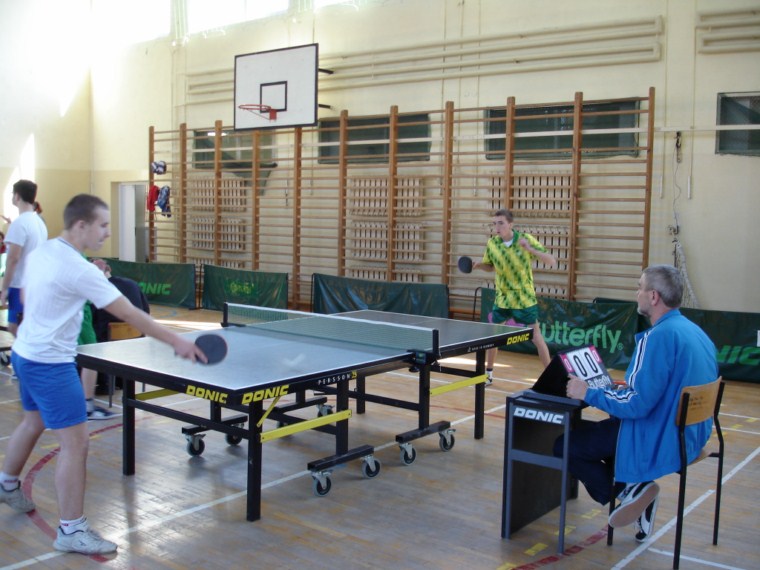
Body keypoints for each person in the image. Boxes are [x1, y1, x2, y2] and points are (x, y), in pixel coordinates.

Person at [0, 194, 207, 556]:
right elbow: (129, 313)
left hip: (25, 354)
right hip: (51, 364)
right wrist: (177, 341)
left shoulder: (45, 252)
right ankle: (72, 529)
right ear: (81, 225)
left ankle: (6, 484)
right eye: (103, 225)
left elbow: (31, 296)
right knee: (76, 443)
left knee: (33, 422)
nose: (107, 233)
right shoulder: (79, 270)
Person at [554, 264, 718, 543]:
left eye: (640, 287)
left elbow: (636, 405)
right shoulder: (696, 332)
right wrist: (620, 390)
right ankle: (635, 488)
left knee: (565, 445)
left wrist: (588, 392)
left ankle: (630, 491)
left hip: (658, 437)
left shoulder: (657, 337)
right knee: (605, 429)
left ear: (653, 296)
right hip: (691, 436)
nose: (636, 293)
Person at [472, 208, 557, 381]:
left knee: (536, 338)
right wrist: (479, 265)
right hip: (502, 299)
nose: (497, 227)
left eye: (501, 223)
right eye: (495, 224)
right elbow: (490, 266)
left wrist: (530, 249)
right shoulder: (492, 243)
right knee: (493, 337)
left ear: (510, 224)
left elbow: (551, 261)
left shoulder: (525, 240)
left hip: (523, 299)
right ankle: (488, 375)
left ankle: (551, 377)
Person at [0, 180, 48, 336]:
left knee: (16, 328)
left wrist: (5, 288)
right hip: (37, 284)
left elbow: (13, 259)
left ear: (17, 196)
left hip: (20, 285)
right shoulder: (39, 223)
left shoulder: (20, 223)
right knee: (27, 328)